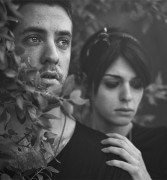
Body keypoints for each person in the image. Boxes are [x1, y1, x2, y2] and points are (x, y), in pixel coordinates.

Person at [3, 1, 132, 179]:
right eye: (34, 39)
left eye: (63, 41)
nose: (53, 56)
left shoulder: (110, 162)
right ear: (5, 48)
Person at [79, 27, 167, 180]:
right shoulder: (66, 145)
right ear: (87, 85)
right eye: (112, 83)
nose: (127, 96)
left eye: (136, 84)